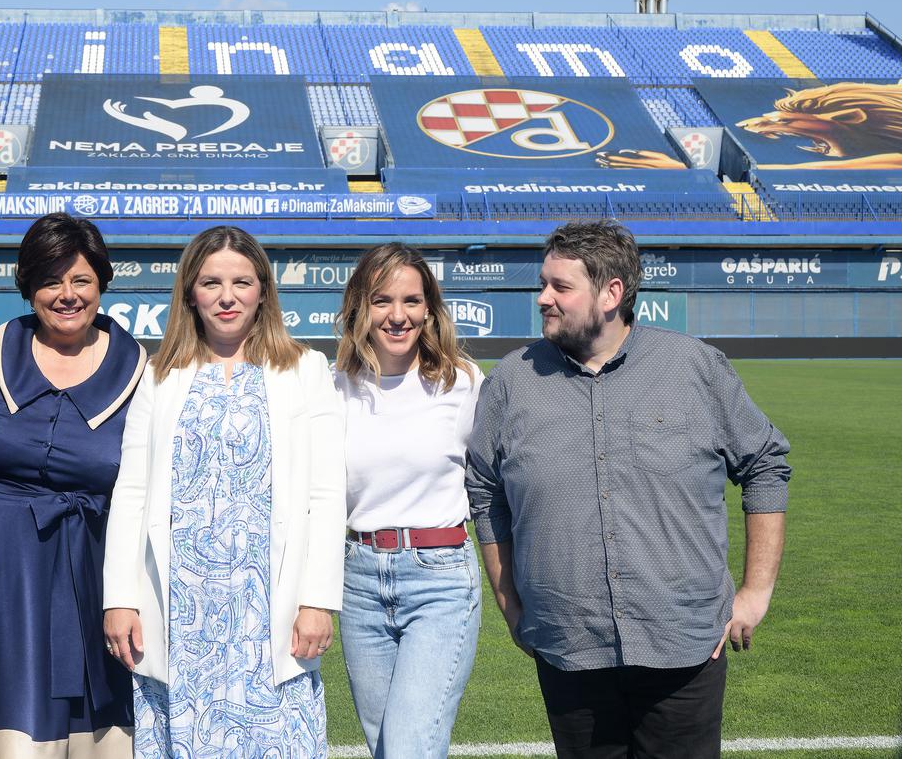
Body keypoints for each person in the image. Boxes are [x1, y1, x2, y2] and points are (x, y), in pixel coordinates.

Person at [467, 219, 792, 759]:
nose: (543, 298)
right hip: (568, 647)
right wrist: (510, 603)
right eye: (543, 283)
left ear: (612, 293)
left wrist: (756, 593)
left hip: (683, 647)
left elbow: (764, 465)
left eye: (560, 287)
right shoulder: (510, 382)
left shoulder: (694, 368)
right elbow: (485, 492)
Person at [102, 225, 345, 758]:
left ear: (263, 290)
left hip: (269, 610)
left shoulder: (304, 369)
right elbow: (132, 489)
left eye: (242, 282)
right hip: (182, 609)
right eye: (211, 282)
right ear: (190, 290)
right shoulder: (160, 372)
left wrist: (317, 600)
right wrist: (120, 597)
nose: (227, 296)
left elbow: (327, 492)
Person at [0, 213, 146, 757]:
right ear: (27, 285)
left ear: (102, 282)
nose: (67, 294)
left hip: (95, 577)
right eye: (51, 280)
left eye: (81, 280)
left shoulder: (145, 370)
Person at [333, 242, 484, 759]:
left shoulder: (462, 383)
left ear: (429, 308)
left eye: (411, 301)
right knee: (384, 750)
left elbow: (493, 485)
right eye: (382, 301)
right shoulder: (335, 389)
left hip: (439, 578)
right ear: (359, 308)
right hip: (358, 582)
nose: (398, 316)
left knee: (409, 748)